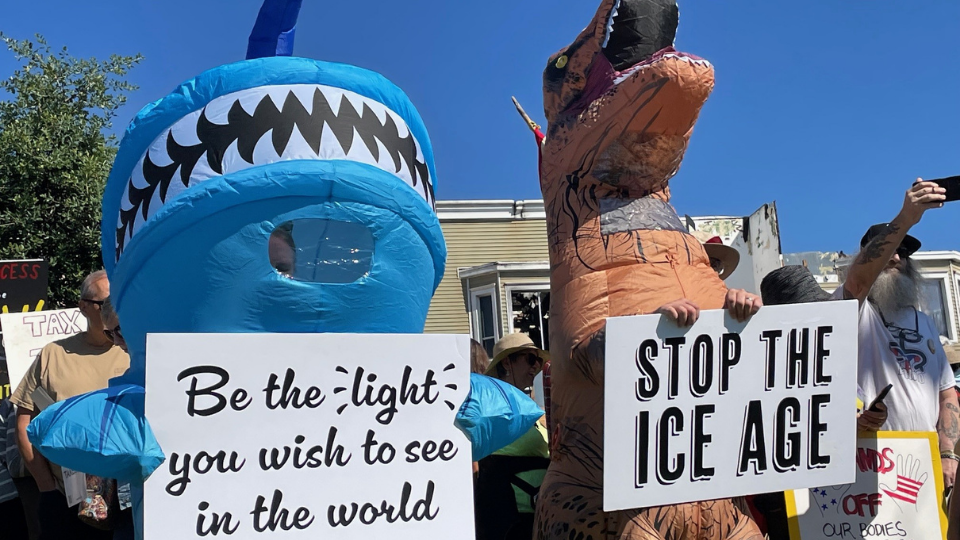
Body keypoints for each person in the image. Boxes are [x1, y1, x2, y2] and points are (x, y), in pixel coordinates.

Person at [833, 180, 957, 490]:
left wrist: (949, 454)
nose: (896, 258)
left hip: (927, 462)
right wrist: (906, 218)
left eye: (903, 251)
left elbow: (946, 394)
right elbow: (860, 280)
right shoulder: (853, 310)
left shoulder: (926, 323)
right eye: (889, 249)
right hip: (872, 461)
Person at [11, 271, 130, 540]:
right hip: (66, 497)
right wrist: (45, 485)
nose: (115, 309)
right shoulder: (54, 354)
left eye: (120, 301)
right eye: (106, 303)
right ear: (84, 307)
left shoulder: (134, 352)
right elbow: (24, 421)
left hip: (127, 497)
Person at [475, 333, 550, 540]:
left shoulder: (525, 406)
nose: (536, 367)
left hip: (534, 516)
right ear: (507, 362)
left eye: (539, 361)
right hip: (509, 522)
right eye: (530, 359)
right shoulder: (491, 404)